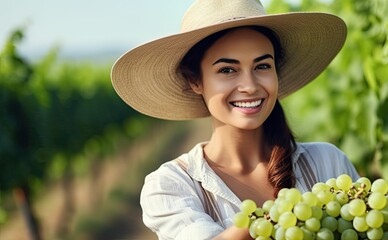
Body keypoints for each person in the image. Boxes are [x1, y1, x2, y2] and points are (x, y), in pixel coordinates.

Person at [111, 0, 360, 239]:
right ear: (195, 81)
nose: (250, 86)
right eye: (227, 70)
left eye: (262, 66)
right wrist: (281, 217)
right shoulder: (171, 186)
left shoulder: (328, 163)